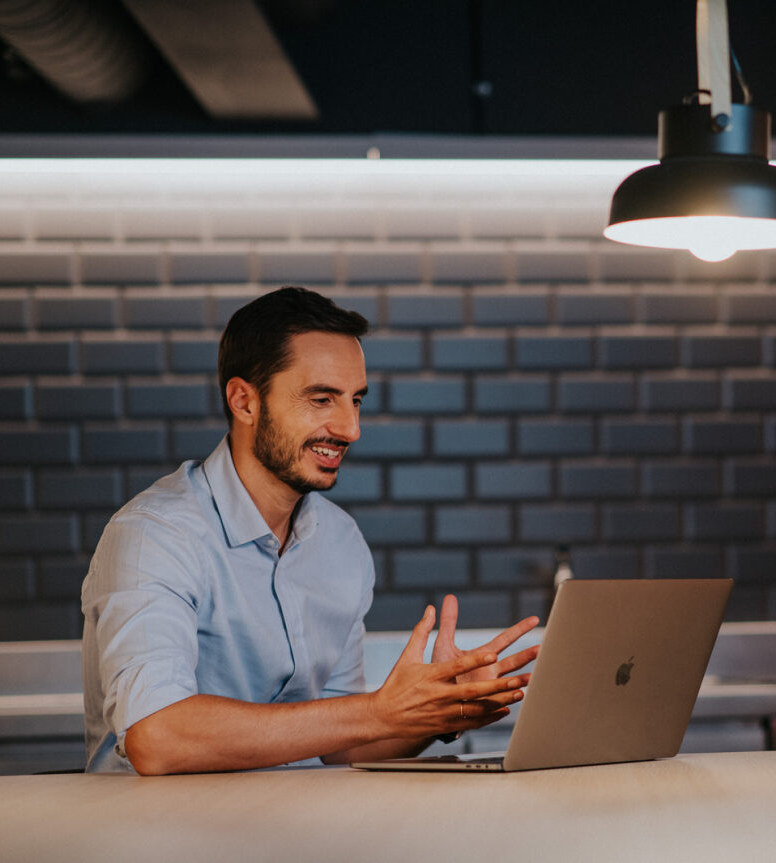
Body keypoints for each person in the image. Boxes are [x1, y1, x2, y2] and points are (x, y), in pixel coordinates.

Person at [81, 287, 539, 774]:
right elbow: (159, 736)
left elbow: (340, 745)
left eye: (355, 401)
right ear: (244, 401)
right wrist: (377, 711)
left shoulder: (341, 545)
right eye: (322, 399)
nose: (349, 428)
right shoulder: (154, 535)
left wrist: (434, 712)